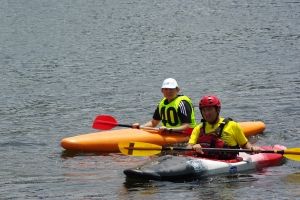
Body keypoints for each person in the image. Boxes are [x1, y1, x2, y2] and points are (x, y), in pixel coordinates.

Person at [186, 94, 261, 160]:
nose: (207, 113)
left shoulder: (232, 125)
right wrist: (193, 148)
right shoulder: (198, 128)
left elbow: (244, 145)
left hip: (228, 163)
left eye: (210, 109)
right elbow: (188, 149)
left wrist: (252, 149)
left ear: (218, 109)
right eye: (204, 110)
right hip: (204, 161)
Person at [132, 78, 197, 133]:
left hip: (185, 134)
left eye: (171, 89)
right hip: (168, 133)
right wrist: (140, 127)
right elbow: (153, 123)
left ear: (177, 90)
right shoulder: (162, 103)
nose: (169, 91)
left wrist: (169, 129)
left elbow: (186, 126)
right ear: (162, 91)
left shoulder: (182, 103)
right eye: (166, 89)